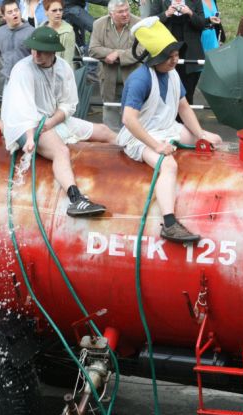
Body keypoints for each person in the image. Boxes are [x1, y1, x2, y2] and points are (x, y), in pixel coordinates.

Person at [117, 17, 222, 243]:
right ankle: (169, 223)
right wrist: (156, 146)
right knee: (168, 165)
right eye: (170, 57)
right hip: (140, 136)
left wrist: (201, 134)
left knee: (215, 140)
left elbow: (183, 107)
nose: (175, 60)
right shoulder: (139, 79)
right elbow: (129, 120)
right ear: (156, 58)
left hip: (167, 128)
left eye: (176, 55)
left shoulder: (173, 74)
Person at [2, 26, 116, 217]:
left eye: (41, 51)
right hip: (25, 125)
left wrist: (52, 122)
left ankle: (139, 157)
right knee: (60, 151)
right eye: (34, 49)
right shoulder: (22, 69)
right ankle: (75, 199)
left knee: (104, 131)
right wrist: (30, 138)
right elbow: (23, 110)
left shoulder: (63, 68)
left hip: (52, 119)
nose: (36, 54)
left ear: (53, 52)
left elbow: (69, 104)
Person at [89, 0, 140, 130]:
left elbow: (141, 51)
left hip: (133, 79)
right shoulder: (99, 24)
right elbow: (93, 49)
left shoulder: (139, 23)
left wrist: (118, 54)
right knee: (110, 121)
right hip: (108, 80)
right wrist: (112, 53)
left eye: (127, 10)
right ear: (111, 14)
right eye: (120, 12)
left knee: (133, 121)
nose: (125, 14)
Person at [151, 0, 214, 105]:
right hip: (166, 53)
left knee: (187, 94)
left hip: (191, 55)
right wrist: (166, 14)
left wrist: (190, 13)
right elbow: (150, 22)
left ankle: (186, 114)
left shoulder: (195, 1)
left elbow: (202, 24)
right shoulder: (159, 1)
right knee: (167, 94)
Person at [0, 0, 34, 84]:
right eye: (10, 12)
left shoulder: (32, 32)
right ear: (4, 16)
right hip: (8, 80)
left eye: (16, 10)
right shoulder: (0, 32)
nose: (14, 13)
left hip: (28, 80)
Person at [41, 0, 75, 67]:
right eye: (54, 10)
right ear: (46, 12)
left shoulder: (68, 32)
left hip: (60, 71)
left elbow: (67, 62)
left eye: (60, 10)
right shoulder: (40, 29)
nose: (58, 13)